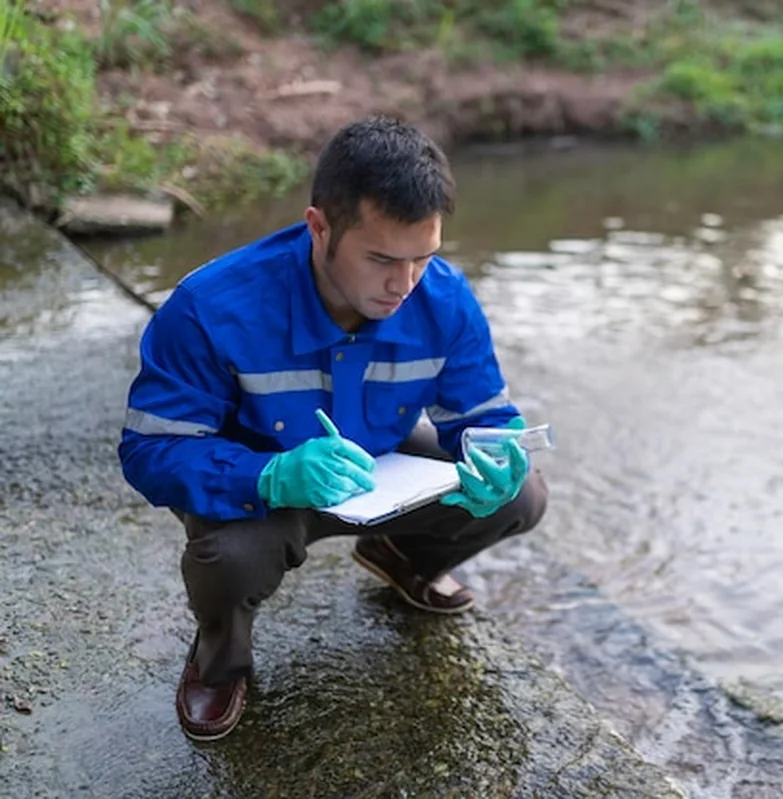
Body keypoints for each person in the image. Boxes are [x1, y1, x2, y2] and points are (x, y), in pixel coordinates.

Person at [117, 116, 549, 742]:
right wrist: (269, 474)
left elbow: (482, 416)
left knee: (524, 493)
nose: (404, 286)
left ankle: (401, 556)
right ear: (319, 227)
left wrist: (496, 453)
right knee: (229, 558)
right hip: (262, 480)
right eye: (381, 259)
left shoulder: (445, 298)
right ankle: (220, 661)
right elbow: (150, 448)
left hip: (384, 462)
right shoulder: (210, 306)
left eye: (423, 259)